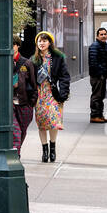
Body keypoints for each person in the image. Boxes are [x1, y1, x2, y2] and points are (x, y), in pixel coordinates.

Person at [32, 30, 70, 163]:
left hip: (53, 94)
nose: (41, 43)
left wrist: (64, 93)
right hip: (39, 95)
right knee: (42, 123)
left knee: (54, 122)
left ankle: (53, 148)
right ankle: (45, 150)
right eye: (39, 41)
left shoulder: (58, 57)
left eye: (44, 41)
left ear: (50, 43)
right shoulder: (34, 59)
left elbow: (65, 76)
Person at [11, 36, 39, 153]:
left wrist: (31, 103)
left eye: (13, 44)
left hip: (24, 103)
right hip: (9, 104)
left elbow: (33, 84)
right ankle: (15, 154)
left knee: (22, 130)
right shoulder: (3, 62)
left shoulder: (26, 63)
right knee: (15, 131)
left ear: (17, 46)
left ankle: (17, 151)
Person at [87, 27, 107, 123]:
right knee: (96, 96)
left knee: (101, 96)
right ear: (97, 36)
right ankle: (94, 116)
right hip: (97, 75)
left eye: (105, 34)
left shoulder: (103, 45)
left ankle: (100, 115)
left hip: (102, 75)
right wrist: (102, 72)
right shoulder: (95, 46)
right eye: (101, 34)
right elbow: (94, 63)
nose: (103, 36)